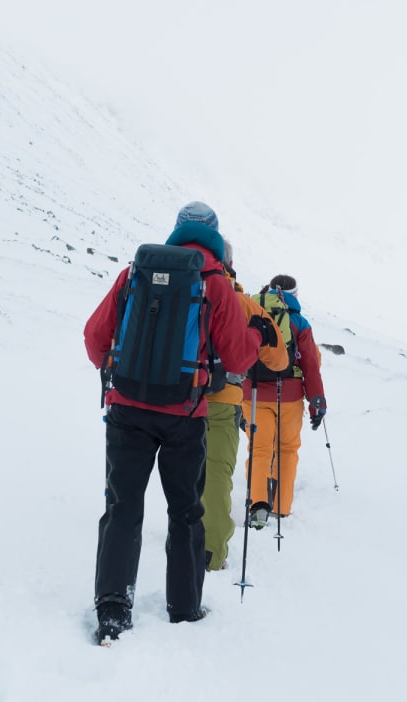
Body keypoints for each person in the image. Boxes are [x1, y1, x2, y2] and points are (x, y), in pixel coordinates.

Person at [82, 202, 277, 642]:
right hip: (185, 416)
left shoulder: (135, 272)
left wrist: (126, 374)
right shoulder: (216, 283)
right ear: (213, 235)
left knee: (122, 507)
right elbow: (237, 358)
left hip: (127, 409)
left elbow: (95, 339)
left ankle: (113, 609)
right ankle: (184, 608)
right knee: (186, 512)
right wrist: (255, 336)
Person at [200, 239, 289, 571]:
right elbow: (279, 359)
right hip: (221, 400)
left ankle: (179, 537)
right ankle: (209, 553)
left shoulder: (174, 288)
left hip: (171, 398)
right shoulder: (240, 301)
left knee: (182, 471)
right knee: (216, 474)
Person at [241, 275, 327, 526]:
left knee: (259, 449)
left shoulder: (251, 313)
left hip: (253, 392)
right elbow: (311, 366)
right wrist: (317, 401)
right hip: (289, 396)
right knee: (286, 450)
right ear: (295, 295)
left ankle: (257, 508)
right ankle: (281, 508)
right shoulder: (299, 322)